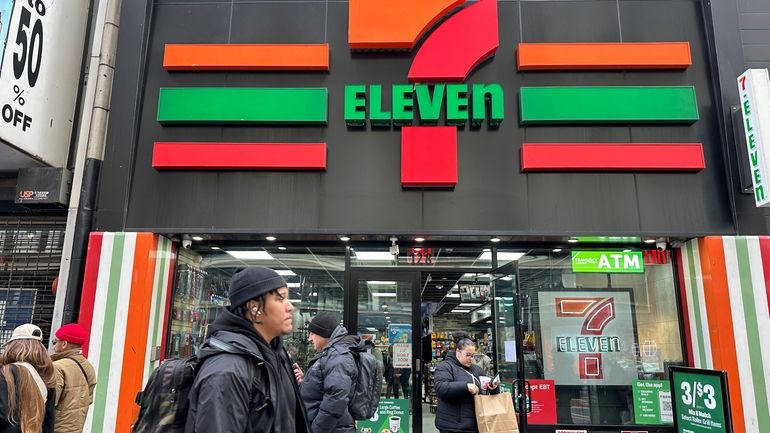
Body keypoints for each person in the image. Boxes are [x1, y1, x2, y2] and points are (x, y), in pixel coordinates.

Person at [185, 266, 309, 433]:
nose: (290, 307)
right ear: (254, 308)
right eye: (280, 299)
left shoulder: (275, 355)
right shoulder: (226, 370)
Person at [298, 312, 361, 433]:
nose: (309, 338)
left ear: (324, 334)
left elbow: (334, 402)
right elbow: (323, 390)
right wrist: (304, 380)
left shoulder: (338, 357)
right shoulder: (329, 354)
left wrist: (315, 430)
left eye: (312, 334)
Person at [0, 324, 57, 433]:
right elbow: (49, 421)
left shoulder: (5, 372)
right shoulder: (47, 377)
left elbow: (3, 414)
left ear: (13, 346)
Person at [434, 338, 499, 433]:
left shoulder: (477, 370)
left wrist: (493, 388)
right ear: (458, 352)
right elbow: (441, 388)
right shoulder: (445, 367)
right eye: (467, 355)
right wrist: (466, 386)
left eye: (473, 356)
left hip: (475, 423)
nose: (471, 359)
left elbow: (485, 392)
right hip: (452, 425)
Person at [51, 323, 97, 433]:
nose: (53, 346)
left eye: (55, 341)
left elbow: (50, 402)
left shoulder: (57, 367)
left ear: (64, 344)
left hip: (56, 428)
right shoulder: (88, 367)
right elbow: (88, 400)